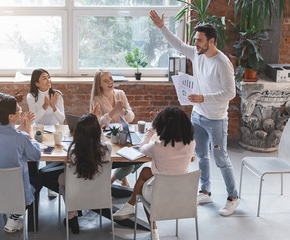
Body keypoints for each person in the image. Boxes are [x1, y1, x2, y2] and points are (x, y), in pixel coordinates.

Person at [150, 10, 240, 216]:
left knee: (221, 158)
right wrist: (162, 27)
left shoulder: (222, 63)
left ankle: (233, 197)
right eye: (195, 40)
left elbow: (231, 93)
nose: (196, 43)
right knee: (200, 155)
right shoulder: (197, 54)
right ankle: (206, 191)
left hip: (216, 118)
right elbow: (179, 45)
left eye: (199, 40)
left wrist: (204, 97)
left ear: (211, 41)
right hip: (197, 115)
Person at [113, 106, 195, 240]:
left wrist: (151, 128)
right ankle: (130, 206)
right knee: (146, 172)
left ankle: (146, 220)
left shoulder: (157, 146)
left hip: (159, 197)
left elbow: (141, 147)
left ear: (163, 126)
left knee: (144, 184)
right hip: (182, 196)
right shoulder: (191, 143)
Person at [0, 96, 43, 233]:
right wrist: (29, 133)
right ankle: (15, 215)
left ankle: (12, 214)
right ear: (11, 116)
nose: (21, 110)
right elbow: (36, 155)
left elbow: (9, 135)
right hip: (16, 191)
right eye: (19, 109)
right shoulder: (21, 137)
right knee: (40, 177)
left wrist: (20, 129)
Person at [58, 113, 112, 234]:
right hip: (98, 190)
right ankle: (72, 213)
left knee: (62, 178)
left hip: (76, 192)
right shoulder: (107, 149)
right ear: (97, 132)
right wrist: (96, 126)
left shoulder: (72, 152)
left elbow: (66, 167)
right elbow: (102, 140)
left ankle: (72, 214)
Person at [90, 69, 139, 188]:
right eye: (105, 80)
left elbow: (131, 117)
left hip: (124, 135)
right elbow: (98, 123)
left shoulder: (120, 94)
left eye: (110, 78)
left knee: (141, 158)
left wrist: (123, 111)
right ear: (99, 84)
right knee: (129, 165)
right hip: (107, 138)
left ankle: (114, 179)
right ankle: (113, 181)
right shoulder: (96, 99)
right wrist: (113, 112)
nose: (109, 82)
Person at [27, 68, 65, 199]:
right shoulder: (31, 96)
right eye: (44, 78)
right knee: (35, 155)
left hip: (55, 129)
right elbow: (35, 119)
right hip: (38, 129)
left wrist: (53, 106)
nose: (48, 80)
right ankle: (34, 183)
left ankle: (50, 186)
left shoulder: (57, 94)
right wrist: (44, 106)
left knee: (51, 156)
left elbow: (61, 119)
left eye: (49, 77)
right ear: (37, 83)